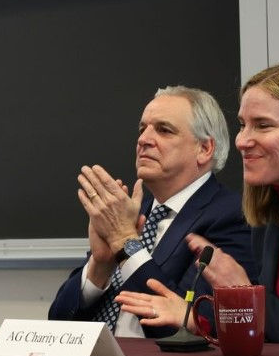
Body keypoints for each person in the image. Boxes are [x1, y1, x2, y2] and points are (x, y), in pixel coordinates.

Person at [117, 63, 279, 345]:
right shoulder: (271, 217)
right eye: (242, 125)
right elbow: (265, 340)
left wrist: (244, 295)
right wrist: (200, 320)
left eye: (263, 125)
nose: (242, 141)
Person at [48, 86, 255, 338]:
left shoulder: (232, 215)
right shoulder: (131, 212)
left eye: (164, 130)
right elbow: (57, 325)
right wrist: (99, 266)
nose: (143, 139)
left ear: (204, 149)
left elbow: (192, 325)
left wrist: (125, 243)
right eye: (142, 128)